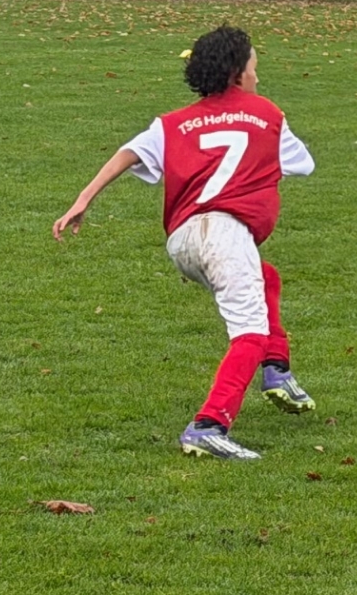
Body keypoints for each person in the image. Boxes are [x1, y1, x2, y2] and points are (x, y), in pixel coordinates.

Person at [52, 25, 317, 460]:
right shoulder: (267, 114)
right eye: (254, 67)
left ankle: (277, 368)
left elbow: (128, 154)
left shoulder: (172, 123)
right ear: (237, 73)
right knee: (249, 334)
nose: (257, 76)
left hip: (183, 240)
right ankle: (209, 425)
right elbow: (302, 164)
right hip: (225, 234)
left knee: (265, 276)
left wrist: (83, 199)